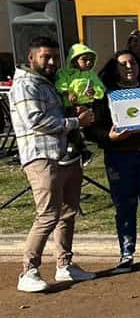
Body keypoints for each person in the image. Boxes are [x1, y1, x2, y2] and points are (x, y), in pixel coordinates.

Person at [13, 36, 97, 293]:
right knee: (48, 214)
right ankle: (28, 271)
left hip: (66, 154)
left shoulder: (52, 82)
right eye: (45, 57)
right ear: (31, 58)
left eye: (54, 57)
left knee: (68, 212)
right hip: (41, 157)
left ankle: (64, 265)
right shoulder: (25, 84)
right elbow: (35, 121)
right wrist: (75, 123)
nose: (51, 62)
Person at [90, 51, 140, 273]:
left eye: (132, 62)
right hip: (119, 157)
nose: (129, 67)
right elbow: (93, 128)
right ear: (115, 67)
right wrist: (109, 137)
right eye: (123, 63)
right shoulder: (106, 95)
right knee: (124, 205)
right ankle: (126, 254)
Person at [55, 43, 105, 165]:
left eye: (91, 60)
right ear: (74, 60)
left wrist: (94, 91)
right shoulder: (65, 73)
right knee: (71, 127)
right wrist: (67, 93)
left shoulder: (91, 75)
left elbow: (101, 88)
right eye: (84, 59)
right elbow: (60, 84)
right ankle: (80, 150)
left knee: (85, 124)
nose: (89, 63)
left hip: (87, 105)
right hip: (69, 106)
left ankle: (83, 147)